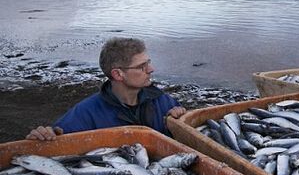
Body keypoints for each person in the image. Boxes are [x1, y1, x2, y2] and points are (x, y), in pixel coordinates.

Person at [26, 37, 186, 141]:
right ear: (118, 74)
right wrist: (44, 136)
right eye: (142, 66)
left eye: (148, 62)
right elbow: (56, 139)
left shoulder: (162, 101)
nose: (151, 69)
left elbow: (185, 136)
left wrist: (179, 120)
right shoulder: (86, 114)